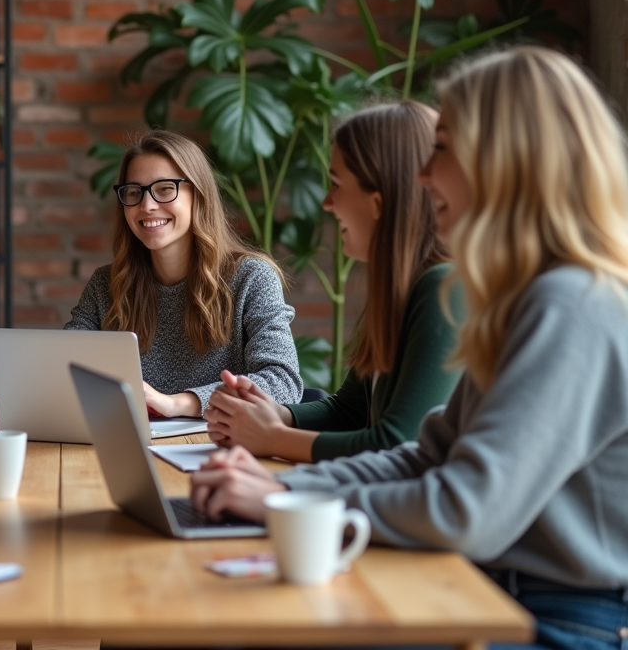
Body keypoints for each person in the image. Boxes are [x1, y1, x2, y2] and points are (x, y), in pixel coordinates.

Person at [191, 46, 628, 650]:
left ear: (506, 161)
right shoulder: (530, 299)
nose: (423, 177)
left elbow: (467, 510)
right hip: (494, 590)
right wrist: (288, 491)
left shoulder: (572, 306)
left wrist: (281, 503)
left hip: (551, 619)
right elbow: (426, 455)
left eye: (442, 149)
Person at [204, 102, 461, 462]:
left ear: (378, 202)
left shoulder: (444, 289)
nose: (326, 202)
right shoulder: (400, 291)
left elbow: (398, 445)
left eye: (336, 184)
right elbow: (351, 411)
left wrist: (272, 438)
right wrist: (280, 415)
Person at [65, 130, 302, 417]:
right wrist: (0, 389)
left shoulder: (251, 278)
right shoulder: (107, 284)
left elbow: (282, 382)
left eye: (165, 188)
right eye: (134, 192)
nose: (147, 205)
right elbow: (65, 366)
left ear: (198, 195)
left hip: (217, 450)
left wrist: (178, 403)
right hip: (129, 443)